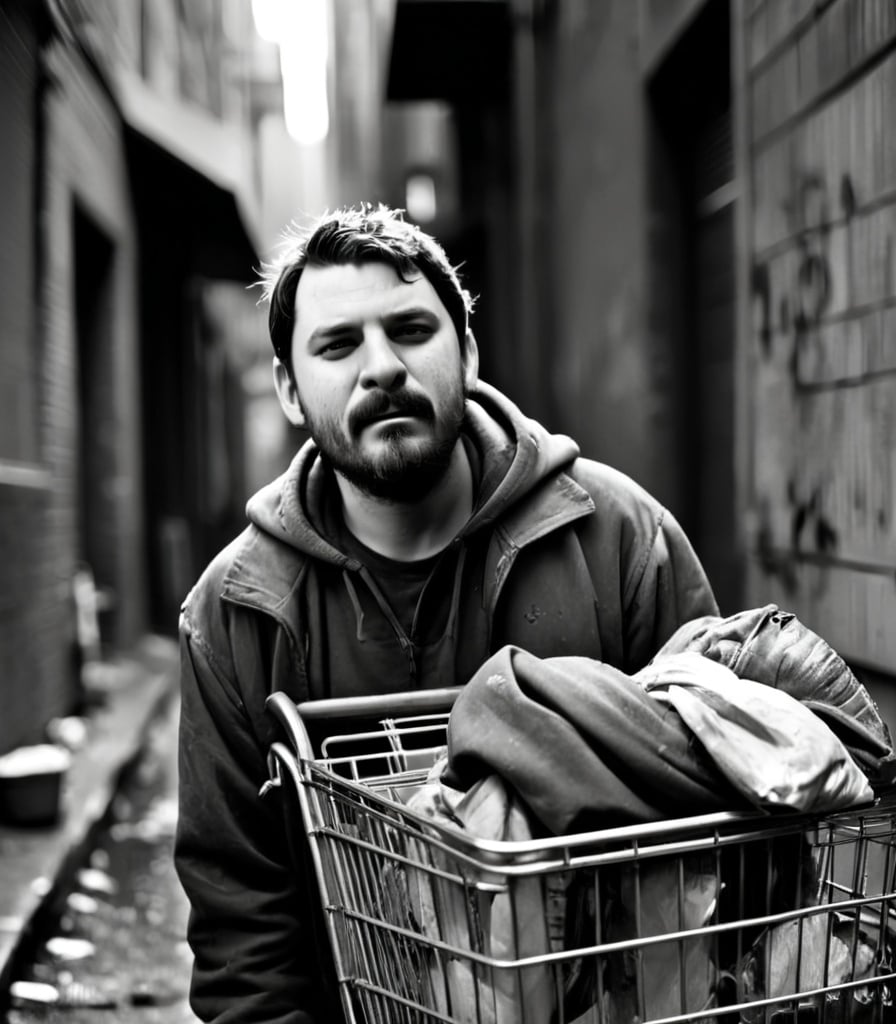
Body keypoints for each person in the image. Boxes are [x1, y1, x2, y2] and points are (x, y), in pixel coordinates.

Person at [174, 203, 719, 1023]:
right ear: (289, 388)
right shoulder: (237, 613)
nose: (382, 367)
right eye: (337, 344)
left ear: (464, 351)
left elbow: (725, 832)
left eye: (411, 330)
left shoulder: (620, 541)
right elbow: (243, 932)